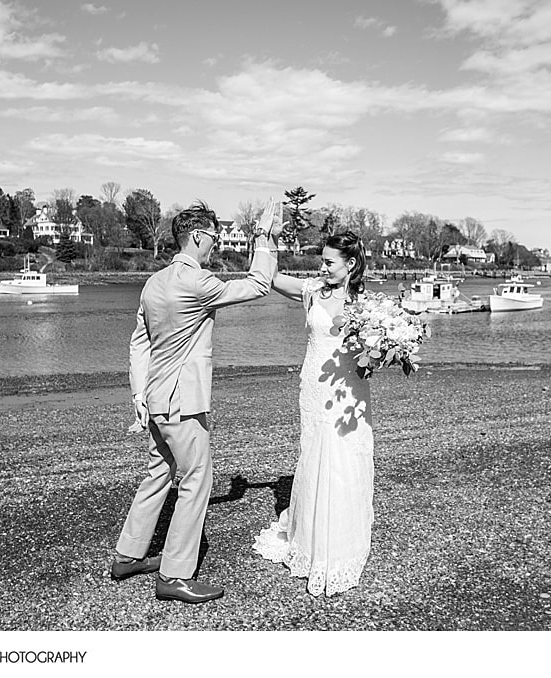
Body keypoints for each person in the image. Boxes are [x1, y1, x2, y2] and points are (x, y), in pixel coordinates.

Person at [111, 200, 280, 604]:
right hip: (183, 403)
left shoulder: (154, 282)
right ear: (199, 237)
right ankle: (174, 576)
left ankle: (128, 555)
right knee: (195, 481)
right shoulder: (197, 282)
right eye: (215, 238)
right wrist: (264, 238)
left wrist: (138, 394)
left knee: (159, 474)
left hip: (154, 398)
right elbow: (257, 284)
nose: (216, 245)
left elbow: (139, 342)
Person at [252, 231, 374, 597]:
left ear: (350, 264)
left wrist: (384, 353)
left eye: (329, 262)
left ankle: (340, 544)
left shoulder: (367, 303)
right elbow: (268, 278)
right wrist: (264, 240)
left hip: (350, 389)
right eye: (322, 260)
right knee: (315, 454)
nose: (322, 267)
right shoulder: (312, 290)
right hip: (315, 386)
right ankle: (309, 539)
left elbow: (376, 352)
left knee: (346, 458)